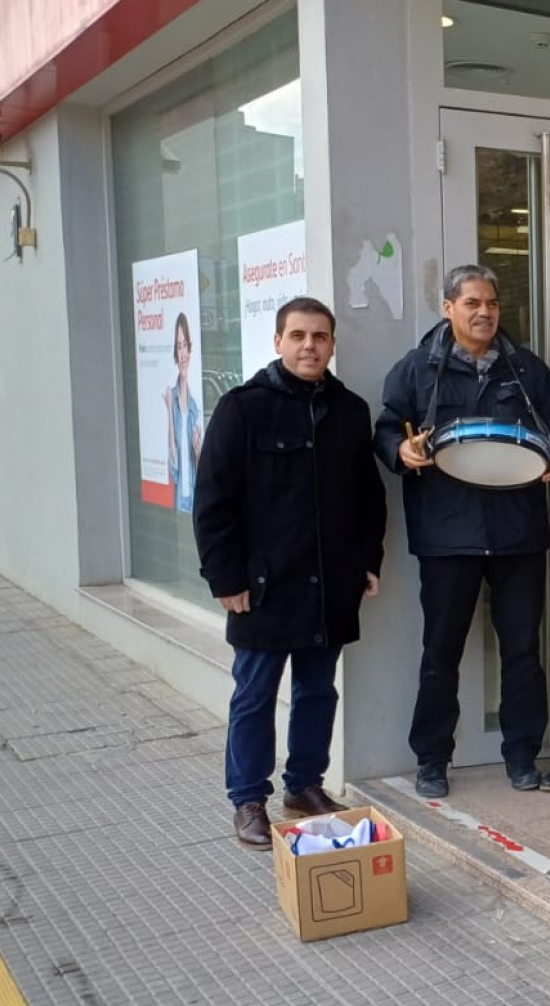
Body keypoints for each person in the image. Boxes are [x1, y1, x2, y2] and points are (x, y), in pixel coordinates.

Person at [193, 297, 387, 847]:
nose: (309, 346)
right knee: (254, 695)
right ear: (277, 342)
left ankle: (304, 786)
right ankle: (248, 799)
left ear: (332, 344)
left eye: (320, 337)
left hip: (331, 582)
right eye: (298, 336)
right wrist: (226, 579)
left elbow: (369, 497)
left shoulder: (350, 410)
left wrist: (367, 560)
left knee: (317, 692)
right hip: (263, 586)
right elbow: (213, 502)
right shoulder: (243, 408)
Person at [375, 265, 550, 799]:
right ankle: (432, 760)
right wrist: (401, 449)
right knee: (441, 652)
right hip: (447, 534)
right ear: (448, 308)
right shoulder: (416, 369)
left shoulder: (526, 369)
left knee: (523, 652)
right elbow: (387, 427)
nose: (485, 312)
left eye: (492, 303)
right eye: (472, 303)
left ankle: (522, 756)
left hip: (518, 532)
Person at [165, 313, 203, 514]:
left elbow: (202, 470)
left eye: (185, 345)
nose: (182, 354)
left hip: (195, 498)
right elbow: (173, 463)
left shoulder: (195, 407)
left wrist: (198, 453)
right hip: (180, 500)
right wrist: (170, 416)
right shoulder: (170, 398)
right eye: (178, 347)